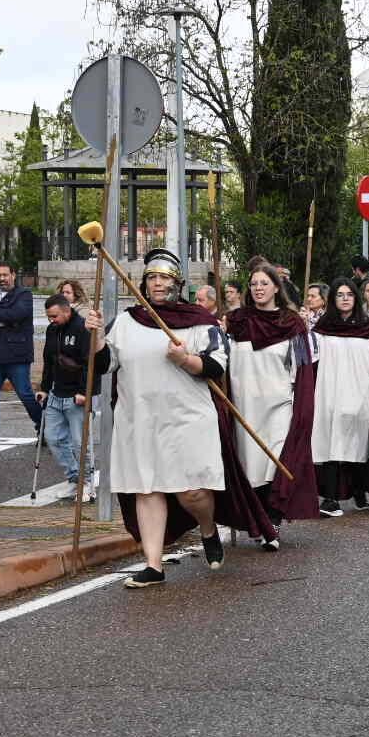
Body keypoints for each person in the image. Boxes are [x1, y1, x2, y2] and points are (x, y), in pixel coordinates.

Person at [86, 247, 274, 587]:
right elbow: (103, 366)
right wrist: (97, 336)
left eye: (164, 278)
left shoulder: (199, 322)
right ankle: (153, 565)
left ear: (178, 283)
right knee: (147, 489)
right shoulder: (126, 322)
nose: (157, 284)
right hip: (138, 420)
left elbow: (218, 365)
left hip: (188, 420)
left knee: (192, 493)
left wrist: (186, 360)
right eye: (152, 278)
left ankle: (207, 527)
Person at [227, 263, 317, 536]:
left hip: (278, 405)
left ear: (276, 287)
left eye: (264, 283)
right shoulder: (236, 321)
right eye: (254, 284)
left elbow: (302, 368)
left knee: (276, 461)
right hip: (243, 406)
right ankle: (260, 520)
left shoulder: (291, 323)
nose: (258, 288)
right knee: (251, 465)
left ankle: (273, 520)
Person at [312, 278, 369, 516]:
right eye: (340, 294)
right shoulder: (322, 329)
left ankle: (359, 490)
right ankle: (331, 499)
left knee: (357, 444)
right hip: (328, 393)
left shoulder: (368, 329)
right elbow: (312, 362)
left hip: (360, 393)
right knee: (331, 443)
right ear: (333, 299)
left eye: (350, 294)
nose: (345, 298)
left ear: (356, 298)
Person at [37, 293, 102, 503]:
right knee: (54, 438)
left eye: (54, 316)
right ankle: (75, 478)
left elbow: (89, 363)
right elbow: (49, 360)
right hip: (56, 393)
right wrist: (44, 388)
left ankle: (88, 483)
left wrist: (84, 392)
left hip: (77, 395)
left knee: (80, 442)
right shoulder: (52, 330)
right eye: (49, 317)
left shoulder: (83, 328)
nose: (51, 320)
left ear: (67, 311)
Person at [0, 261, 39, 452]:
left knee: (25, 394)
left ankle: (45, 429)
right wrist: (1, 319)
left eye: (5, 275)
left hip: (17, 355)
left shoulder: (24, 295)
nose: (2, 279)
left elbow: (18, 314)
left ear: (13, 275)